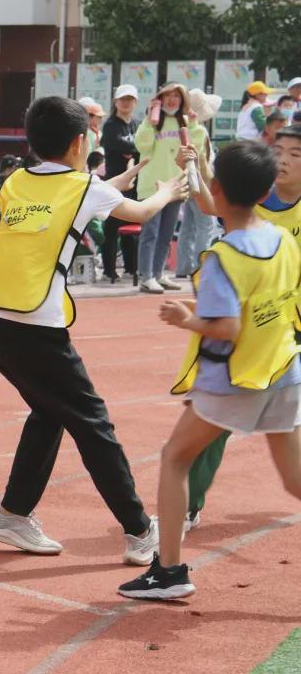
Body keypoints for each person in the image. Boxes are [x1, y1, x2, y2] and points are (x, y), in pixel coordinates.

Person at [0, 95, 187, 564]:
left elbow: (66, 199)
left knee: (49, 411)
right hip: (31, 323)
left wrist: (111, 184)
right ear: (80, 142)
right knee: (92, 423)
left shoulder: (14, 181)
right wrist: (167, 189)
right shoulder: (87, 186)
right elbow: (142, 212)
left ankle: (12, 515)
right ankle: (139, 530)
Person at [118, 140, 301, 600]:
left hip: (234, 379)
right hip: (283, 367)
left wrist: (188, 319)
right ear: (264, 193)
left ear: (216, 188)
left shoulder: (224, 256)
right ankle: (168, 569)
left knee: (174, 458)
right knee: (295, 480)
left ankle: (170, 571)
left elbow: (228, 328)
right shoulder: (282, 238)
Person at [181, 124, 301, 532]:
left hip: (288, 330)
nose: (284, 159)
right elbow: (210, 203)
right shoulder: (255, 200)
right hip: (255, 332)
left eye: (295, 154)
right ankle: (188, 503)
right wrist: (194, 169)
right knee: (209, 422)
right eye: (279, 150)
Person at [135, 82, 205, 293]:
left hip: (176, 185)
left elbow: (196, 148)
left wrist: (193, 125)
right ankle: (146, 276)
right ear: (160, 98)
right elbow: (142, 145)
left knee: (166, 234)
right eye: (168, 95)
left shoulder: (184, 121)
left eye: (177, 95)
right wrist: (150, 118)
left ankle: (158, 274)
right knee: (151, 233)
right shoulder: (152, 122)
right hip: (153, 186)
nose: (172, 99)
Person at [175, 89, 220, 279]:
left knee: (188, 226)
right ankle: (200, 267)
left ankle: (184, 267)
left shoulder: (182, 129)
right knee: (205, 225)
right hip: (200, 180)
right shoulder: (199, 130)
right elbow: (203, 159)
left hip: (187, 179)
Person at [101, 84, 141, 283]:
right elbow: (118, 145)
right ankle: (109, 270)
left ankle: (131, 268)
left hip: (134, 183)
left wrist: (133, 152)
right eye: (122, 99)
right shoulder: (110, 125)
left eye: (130, 99)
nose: (126, 103)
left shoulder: (137, 124)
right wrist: (133, 150)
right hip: (114, 183)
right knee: (112, 229)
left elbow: (142, 147)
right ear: (116, 102)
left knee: (131, 226)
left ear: (135, 102)